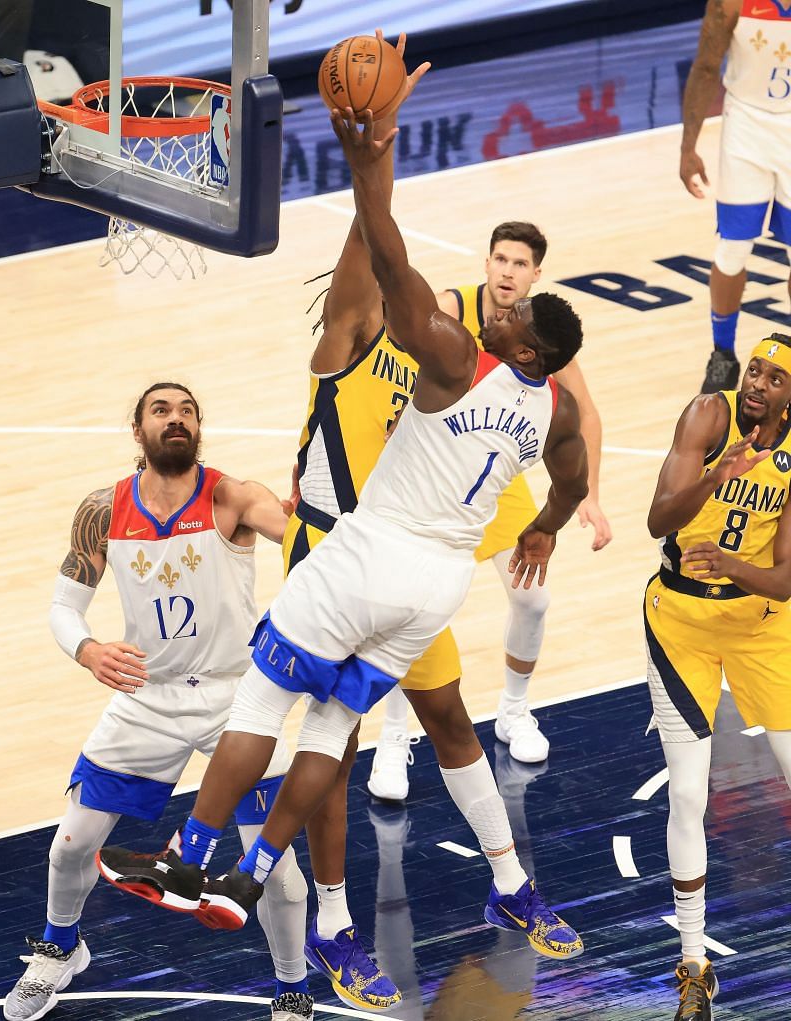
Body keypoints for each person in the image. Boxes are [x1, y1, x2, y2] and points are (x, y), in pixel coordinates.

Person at [96, 104, 590, 1006]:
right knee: (341, 739)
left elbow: (384, 250)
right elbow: (374, 257)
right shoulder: (355, 344)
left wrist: (374, 144)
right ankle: (325, 919)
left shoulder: (442, 352)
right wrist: (551, 518)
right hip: (373, 554)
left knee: (414, 717)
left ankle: (198, 859)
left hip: (367, 559)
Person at [3, 383, 313, 1021]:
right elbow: (66, 607)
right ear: (138, 430)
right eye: (161, 410)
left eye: (188, 411)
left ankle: (292, 989)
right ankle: (61, 949)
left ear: (199, 429)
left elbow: (307, 544)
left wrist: (311, 516)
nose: (177, 419)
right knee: (70, 845)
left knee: (279, 872)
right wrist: (87, 650)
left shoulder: (232, 496)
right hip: (147, 699)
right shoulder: (103, 509)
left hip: (237, 701)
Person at [369, 220, 612, 799]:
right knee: (417, 619)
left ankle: (513, 709)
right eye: (500, 260)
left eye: (520, 265)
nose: (507, 274)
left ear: (533, 278)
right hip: (427, 474)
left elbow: (582, 425)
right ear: (485, 265)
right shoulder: (454, 315)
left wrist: (565, 514)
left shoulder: (544, 351)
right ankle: (395, 732)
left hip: (491, 484)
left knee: (532, 598)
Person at [645, 333, 791, 1019]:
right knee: (689, 794)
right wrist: (717, 473)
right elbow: (657, 519)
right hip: (679, 623)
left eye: (773, 377)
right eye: (753, 370)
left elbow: (785, 580)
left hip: (761, 624)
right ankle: (694, 964)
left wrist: (733, 567)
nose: (756, 383)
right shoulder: (708, 415)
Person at [680, 0, 791, 394]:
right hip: (747, 123)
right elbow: (706, 66)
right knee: (732, 248)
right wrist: (688, 147)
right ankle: (723, 354)